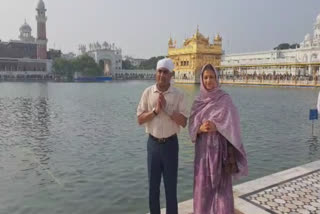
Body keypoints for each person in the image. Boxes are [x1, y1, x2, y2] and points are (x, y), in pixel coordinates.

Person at [188, 64, 248, 214]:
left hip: (221, 152)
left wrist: (217, 126)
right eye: (206, 77)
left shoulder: (224, 99)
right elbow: (191, 125)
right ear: (202, 79)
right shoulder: (198, 102)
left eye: (212, 77)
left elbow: (233, 122)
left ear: (217, 78)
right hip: (203, 153)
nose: (209, 80)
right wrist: (199, 129)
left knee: (222, 190)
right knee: (203, 187)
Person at [137, 58, 188, 214]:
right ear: (156, 74)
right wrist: (155, 111)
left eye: (166, 72)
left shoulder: (178, 94)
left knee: (170, 188)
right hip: (153, 145)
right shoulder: (148, 93)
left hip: (171, 145)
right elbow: (139, 119)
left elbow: (184, 122)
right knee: (153, 187)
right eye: (159, 71)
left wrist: (167, 110)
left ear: (171, 75)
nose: (162, 75)